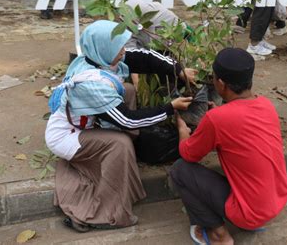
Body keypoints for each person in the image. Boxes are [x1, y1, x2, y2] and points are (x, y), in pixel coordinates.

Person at [45, 20, 194, 232]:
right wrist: (169, 108)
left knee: (127, 90)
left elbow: (144, 58)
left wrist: (178, 70)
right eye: (119, 47)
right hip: (67, 135)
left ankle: (118, 164)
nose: (124, 51)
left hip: (86, 124)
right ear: (104, 49)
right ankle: (105, 214)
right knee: (120, 143)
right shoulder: (92, 86)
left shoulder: (99, 58)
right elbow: (128, 120)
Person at [170, 48, 287, 245]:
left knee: (180, 170)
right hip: (276, 200)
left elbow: (189, 154)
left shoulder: (217, 119)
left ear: (221, 83)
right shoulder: (266, 105)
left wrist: (183, 132)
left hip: (250, 212)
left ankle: (219, 236)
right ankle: (249, 221)